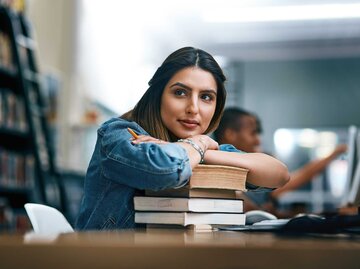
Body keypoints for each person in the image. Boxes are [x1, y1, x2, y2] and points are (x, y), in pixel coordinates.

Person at [75, 47, 290, 230]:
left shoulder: (199, 150)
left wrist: (202, 151)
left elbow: (278, 174)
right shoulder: (118, 134)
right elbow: (167, 169)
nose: (193, 108)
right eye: (180, 93)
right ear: (158, 94)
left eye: (206, 97)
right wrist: (198, 144)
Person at [214, 107, 347, 216]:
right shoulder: (214, 172)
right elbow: (301, 176)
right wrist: (336, 152)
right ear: (230, 134)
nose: (258, 141)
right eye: (253, 133)